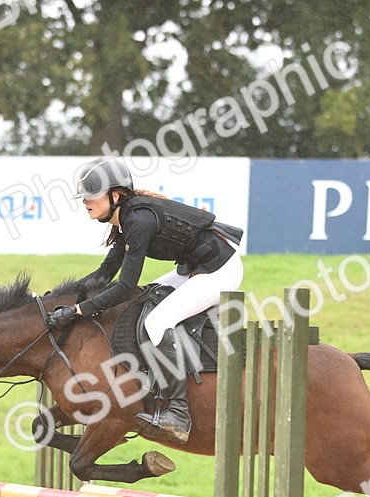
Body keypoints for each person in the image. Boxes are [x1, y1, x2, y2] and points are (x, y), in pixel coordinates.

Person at [46, 156, 245, 443]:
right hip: (197, 267)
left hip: (220, 269)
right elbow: (105, 273)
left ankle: (178, 413)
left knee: (158, 320)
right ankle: (153, 381)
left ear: (115, 195)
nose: (85, 202)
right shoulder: (124, 220)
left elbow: (124, 286)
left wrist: (78, 311)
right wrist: (57, 298)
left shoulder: (137, 221)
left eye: (91, 196)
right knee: (144, 298)